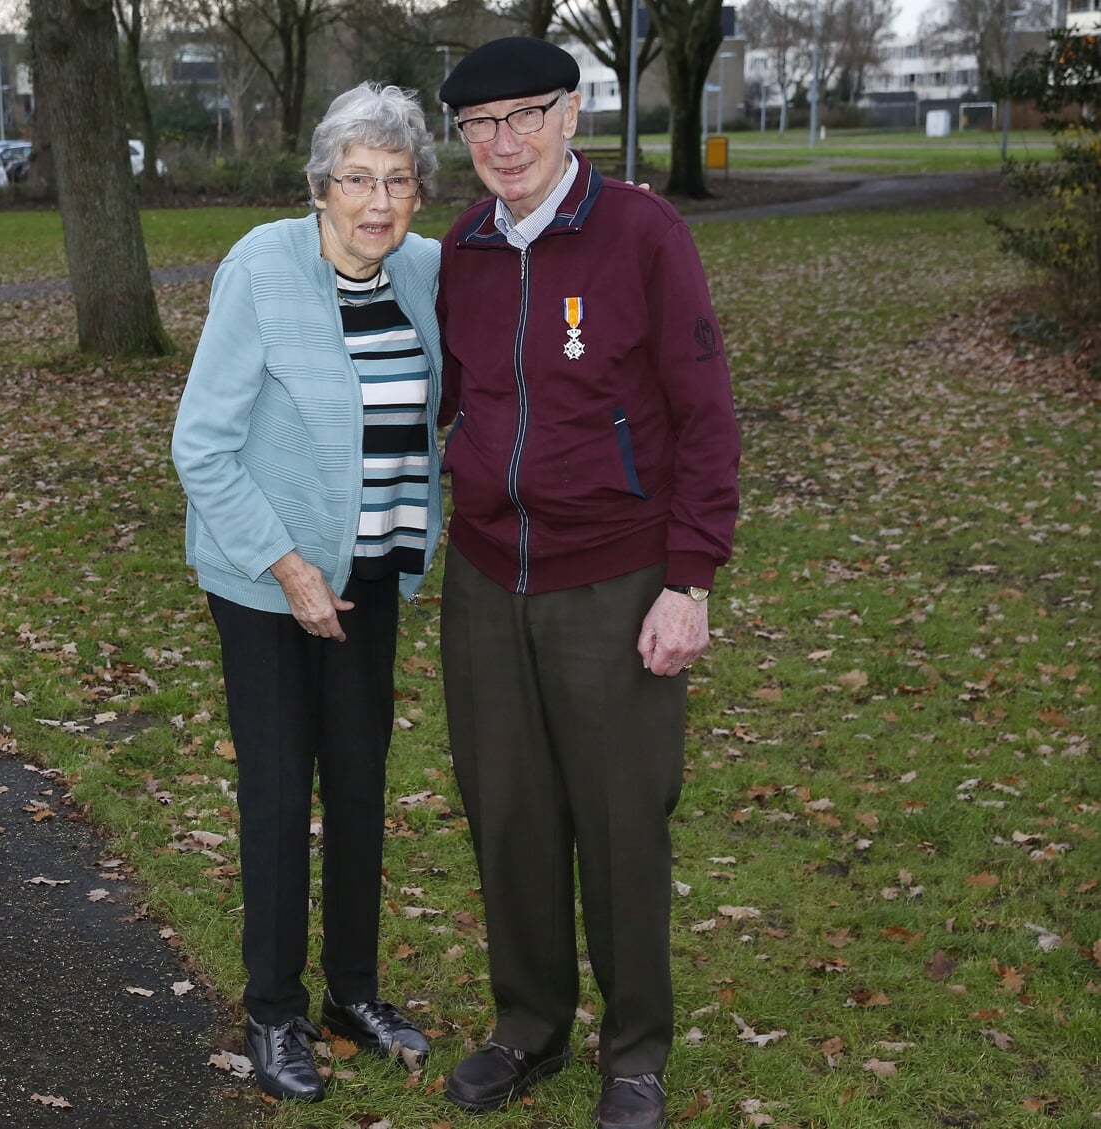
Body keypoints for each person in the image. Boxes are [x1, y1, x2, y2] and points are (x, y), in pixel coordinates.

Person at [431, 37, 742, 1129]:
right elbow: (454, 399)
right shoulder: (461, 248)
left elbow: (704, 414)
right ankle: (527, 1025)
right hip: (483, 578)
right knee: (507, 814)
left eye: (524, 116)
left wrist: (688, 578)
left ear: (572, 113)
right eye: (479, 125)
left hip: (616, 579)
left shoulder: (641, 233)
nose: (503, 143)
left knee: (620, 821)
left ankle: (635, 1050)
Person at [171, 82, 443, 1104]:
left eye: (398, 180)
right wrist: (289, 570)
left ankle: (352, 995)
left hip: (369, 571)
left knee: (362, 782)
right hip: (262, 577)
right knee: (283, 792)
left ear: (419, 190)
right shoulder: (263, 267)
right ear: (322, 185)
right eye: (357, 180)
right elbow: (200, 443)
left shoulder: (419, 271)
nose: (378, 202)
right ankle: (275, 1011)